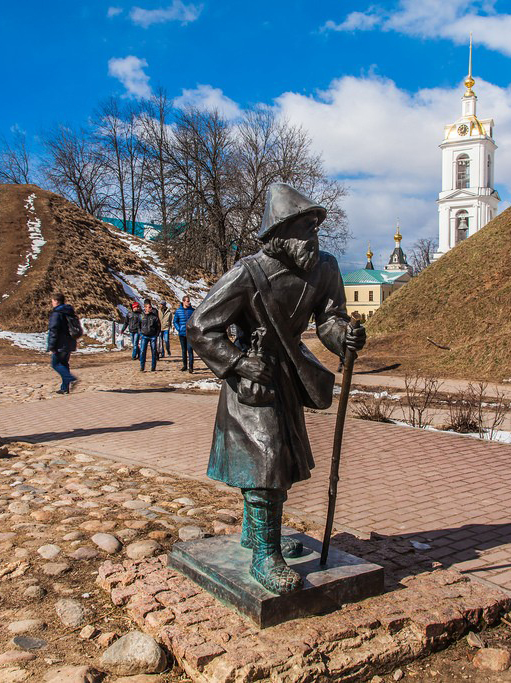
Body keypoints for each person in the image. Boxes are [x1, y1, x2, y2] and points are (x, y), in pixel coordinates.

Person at [187, 183, 366, 595]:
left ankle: (256, 535)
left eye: (315, 228)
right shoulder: (247, 273)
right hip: (252, 381)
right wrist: (237, 361)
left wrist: (345, 337)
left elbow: (330, 319)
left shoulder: (326, 268)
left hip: (288, 378)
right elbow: (200, 326)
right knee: (266, 460)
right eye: (304, 229)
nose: (313, 238)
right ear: (279, 233)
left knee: (279, 459)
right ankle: (265, 557)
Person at [47, 292, 78, 394]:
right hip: (69, 342)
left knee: (55, 364)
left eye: (52, 301)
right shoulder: (69, 311)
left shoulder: (57, 313)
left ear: (56, 301)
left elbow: (54, 330)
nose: (52, 303)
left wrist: (51, 345)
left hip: (60, 344)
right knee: (64, 364)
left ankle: (70, 378)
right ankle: (65, 388)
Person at [173, 295, 196, 373]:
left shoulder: (192, 310)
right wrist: (178, 328)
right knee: (183, 350)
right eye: (187, 301)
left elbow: (195, 321)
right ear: (183, 302)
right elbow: (175, 321)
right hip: (182, 333)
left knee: (190, 350)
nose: (189, 302)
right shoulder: (178, 311)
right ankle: (185, 366)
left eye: (189, 301)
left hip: (190, 333)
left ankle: (191, 367)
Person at [138, 299, 161, 372]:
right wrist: (140, 333)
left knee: (154, 351)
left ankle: (153, 367)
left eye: (151, 307)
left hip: (153, 336)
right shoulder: (141, 316)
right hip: (144, 335)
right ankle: (142, 366)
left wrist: (156, 334)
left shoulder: (154, 317)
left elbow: (158, 326)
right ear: (145, 308)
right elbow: (138, 325)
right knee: (142, 351)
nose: (151, 308)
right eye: (149, 307)